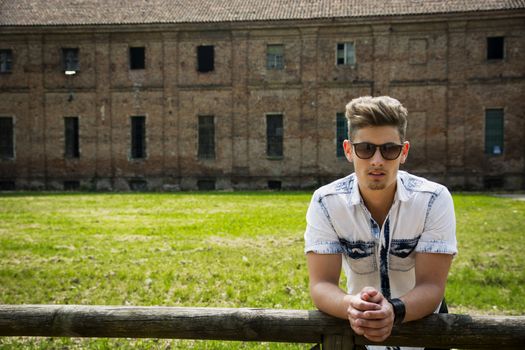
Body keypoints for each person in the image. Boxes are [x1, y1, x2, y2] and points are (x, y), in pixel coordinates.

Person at [304, 96, 457, 350]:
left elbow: (432, 286)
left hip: (424, 331)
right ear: (348, 150)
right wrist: (351, 306)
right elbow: (322, 284)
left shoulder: (433, 199)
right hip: (358, 329)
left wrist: (394, 310)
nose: (377, 160)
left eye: (389, 149)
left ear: (404, 152)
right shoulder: (326, 201)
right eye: (365, 148)